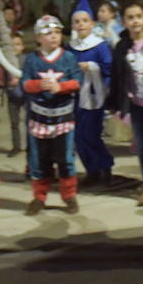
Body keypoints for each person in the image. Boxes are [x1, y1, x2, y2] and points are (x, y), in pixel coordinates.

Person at [21, 15, 83, 214]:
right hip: (38, 118)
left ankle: (69, 196)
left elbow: (77, 81)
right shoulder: (31, 59)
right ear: (38, 37)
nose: (53, 37)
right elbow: (25, 83)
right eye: (48, 33)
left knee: (65, 158)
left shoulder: (68, 57)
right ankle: (39, 196)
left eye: (57, 32)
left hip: (63, 118)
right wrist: (38, 85)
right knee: (38, 159)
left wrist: (61, 87)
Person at [108, 2, 143, 205]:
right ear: (124, 22)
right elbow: (117, 76)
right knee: (141, 144)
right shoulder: (122, 47)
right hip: (133, 102)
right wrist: (115, 102)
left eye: (138, 16)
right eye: (130, 18)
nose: (135, 21)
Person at [68, 10, 114, 187]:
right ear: (73, 26)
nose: (81, 24)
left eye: (85, 21)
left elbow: (108, 68)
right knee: (79, 137)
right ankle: (91, 170)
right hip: (75, 96)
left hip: (94, 96)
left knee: (91, 134)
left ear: (92, 24)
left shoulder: (100, 46)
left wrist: (91, 66)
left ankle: (105, 166)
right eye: (77, 21)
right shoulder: (71, 46)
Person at [4, 32, 28, 158]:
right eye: (12, 45)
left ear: (22, 46)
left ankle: (29, 144)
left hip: (25, 94)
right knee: (14, 123)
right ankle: (16, 146)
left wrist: (21, 80)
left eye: (18, 44)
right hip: (11, 95)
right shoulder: (5, 61)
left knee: (27, 121)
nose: (15, 47)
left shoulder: (26, 59)